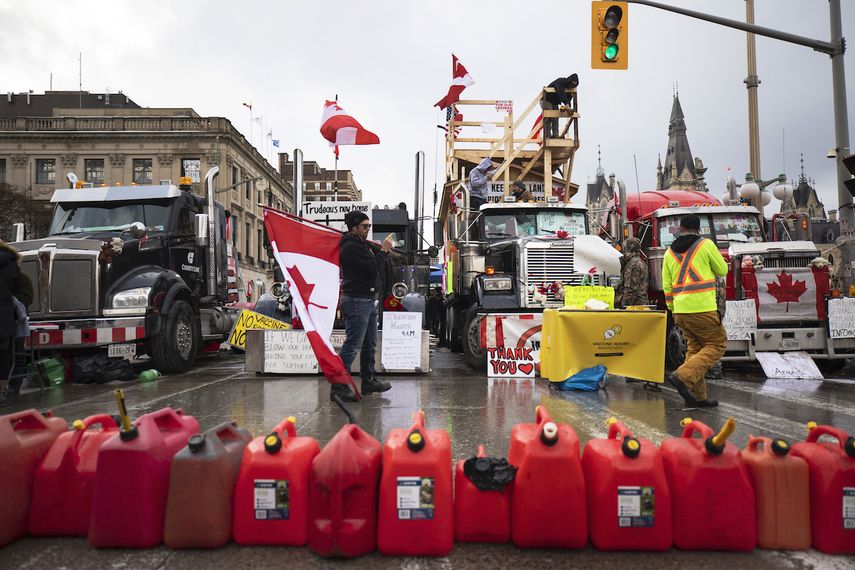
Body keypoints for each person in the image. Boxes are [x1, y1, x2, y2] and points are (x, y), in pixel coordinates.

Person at [662, 214, 728, 408]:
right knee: (717, 344)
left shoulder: (669, 253)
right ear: (699, 229)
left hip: (680, 311)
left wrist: (673, 309)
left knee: (695, 349)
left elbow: (667, 286)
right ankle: (682, 376)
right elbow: (722, 270)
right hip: (703, 308)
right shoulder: (706, 245)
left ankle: (698, 397)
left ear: (681, 228)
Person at [332, 211, 393, 402]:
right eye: (365, 226)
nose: (368, 229)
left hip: (366, 298)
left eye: (369, 226)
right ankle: (339, 386)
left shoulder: (361, 244)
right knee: (353, 344)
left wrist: (381, 251)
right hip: (357, 300)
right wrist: (383, 251)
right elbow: (372, 269)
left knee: (369, 343)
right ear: (354, 228)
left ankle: (368, 380)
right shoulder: (351, 247)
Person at [0, 240, 28, 405]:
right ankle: (2, 391)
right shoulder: (12, 265)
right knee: (3, 354)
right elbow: (17, 292)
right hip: (5, 317)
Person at [542, 74, 579, 138]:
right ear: (569, 81)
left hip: (554, 103)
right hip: (546, 100)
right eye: (571, 84)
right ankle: (547, 135)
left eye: (573, 85)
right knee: (549, 115)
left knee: (555, 117)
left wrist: (568, 108)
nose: (571, 86)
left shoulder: (570, 90)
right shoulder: (560, 81)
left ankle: (555, 135)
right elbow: (561, 92)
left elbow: (568, 100)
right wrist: (567, 105)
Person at [617, 237, 648, 308]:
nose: (623, 252)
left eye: (624, 249)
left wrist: (623, 306)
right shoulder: (639, 262)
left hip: (634, 306)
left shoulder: (633, 265)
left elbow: (630, 290)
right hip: (639, 305)